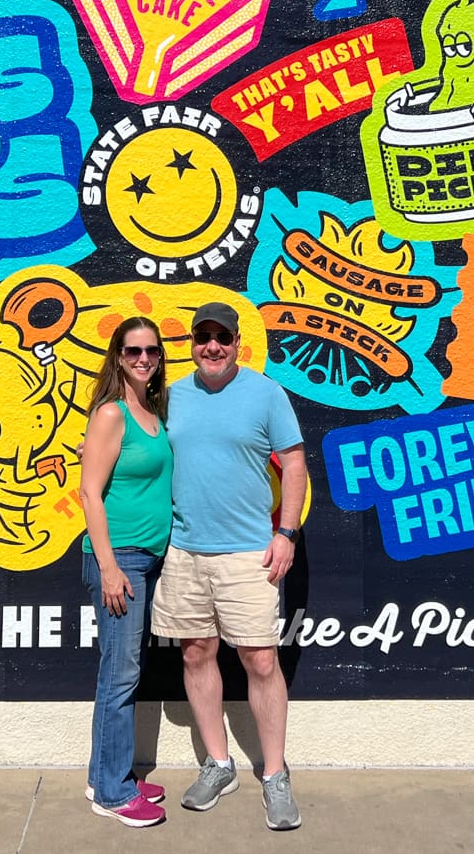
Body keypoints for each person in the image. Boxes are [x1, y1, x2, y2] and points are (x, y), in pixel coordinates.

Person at [150, 301, 309, 832]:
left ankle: (276, 774)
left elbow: (294, 463)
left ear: (238, 342)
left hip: (249, 552)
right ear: (192, 343)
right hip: (185, 550)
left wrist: (285, 533)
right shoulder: (171, 396)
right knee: (197, 654)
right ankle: (219, 765)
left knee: (261, 661)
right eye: (203, 337)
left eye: (222, 337)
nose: (212, 346)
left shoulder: (266, 393)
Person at [78, 316, 175, 828]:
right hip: (122, 559)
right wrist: (111, 566)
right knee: (121, 675)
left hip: (148, 557)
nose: (143, 358)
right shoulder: (112, 414)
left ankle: (105, 773)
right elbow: (89, 493)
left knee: (121, 669)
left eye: (152, 351)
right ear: (118, 356)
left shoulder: (152, 411)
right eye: (133, 350)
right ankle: (112, 794)